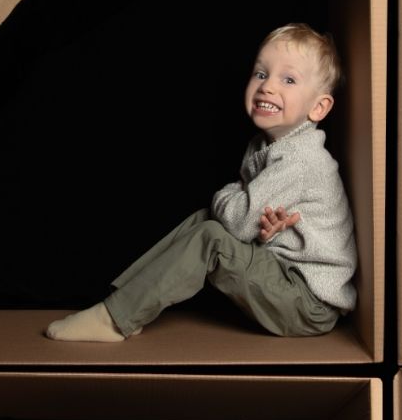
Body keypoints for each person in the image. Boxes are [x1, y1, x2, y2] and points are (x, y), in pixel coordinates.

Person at [46, 24, 357, 342]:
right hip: (282, 276)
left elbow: (237, 224)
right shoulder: (263, 145)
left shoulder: (300, 161)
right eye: (261, 74)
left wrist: (228, 196)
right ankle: (123, 301)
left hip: (308, 304)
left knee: (212, 234)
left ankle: (115, 319)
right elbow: (250, 221)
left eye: (288, 80)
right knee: (204, 219)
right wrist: (254, 218)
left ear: (318, 107)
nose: (267, 87)